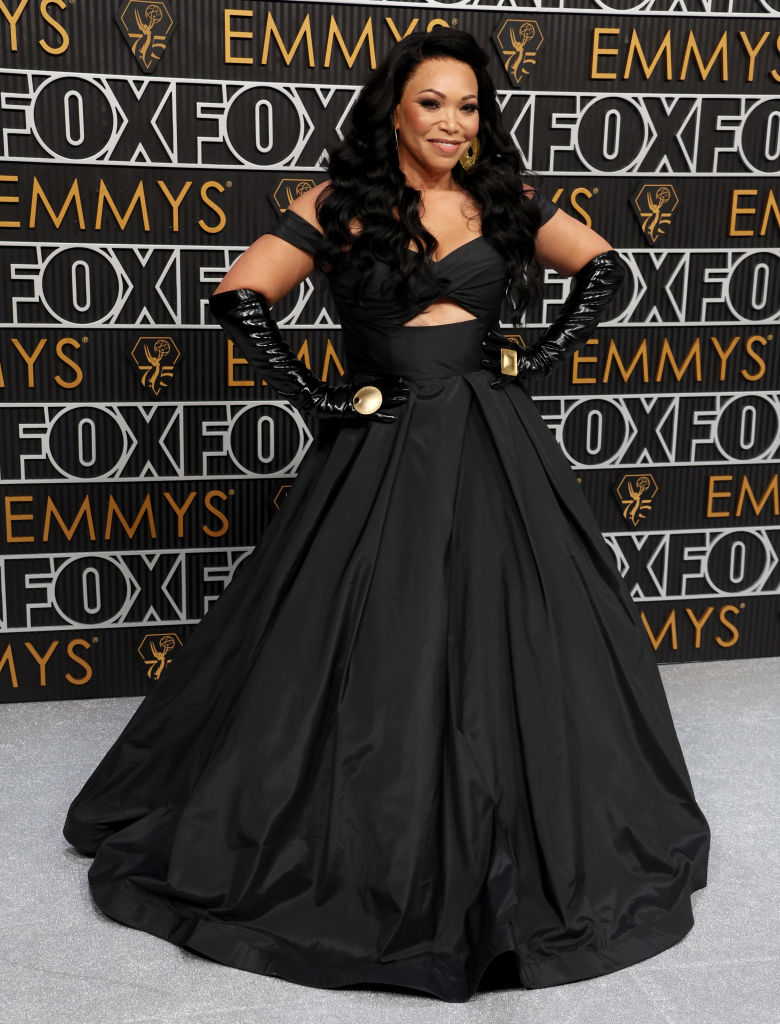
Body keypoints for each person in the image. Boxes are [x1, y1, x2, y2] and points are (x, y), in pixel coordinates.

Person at [63, 28, 710, 1003]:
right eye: (433, 104)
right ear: (393, 113)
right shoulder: (336, 204)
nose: (454, 122)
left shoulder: (504, 199)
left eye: (468, 105)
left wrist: (532, 360)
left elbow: (609, 269)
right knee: (368, 640)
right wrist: (318, 398)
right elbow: (244, 294)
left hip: (496, 446)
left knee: (523, 641)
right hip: (384, 447)